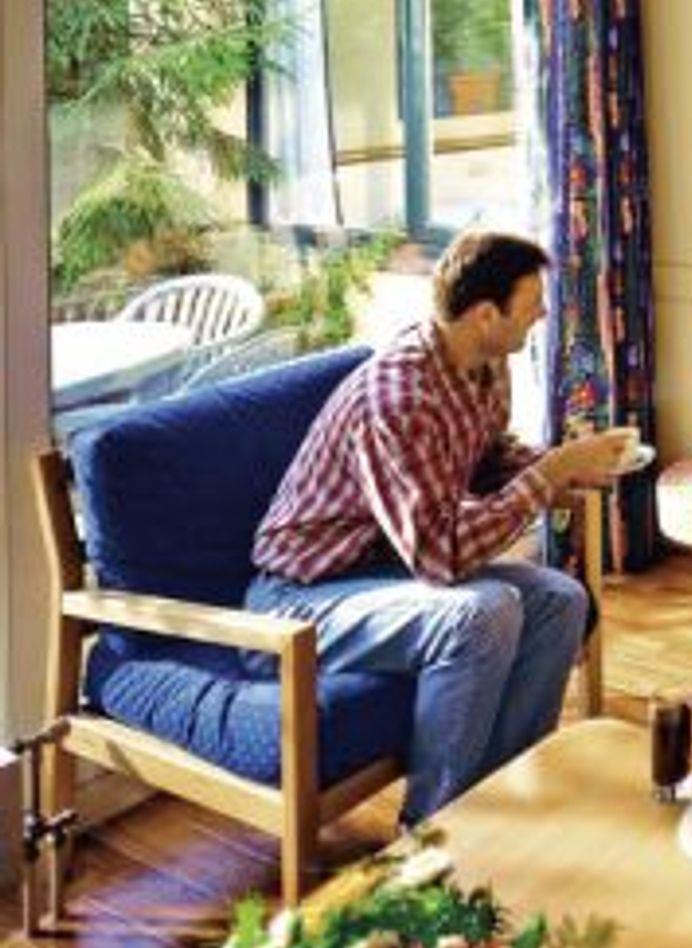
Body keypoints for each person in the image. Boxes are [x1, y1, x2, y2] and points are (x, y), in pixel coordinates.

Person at [247, 230, 635, 823]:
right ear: (485, 315)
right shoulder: (399, 399)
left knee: (562, 599)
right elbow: (441, 555)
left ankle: (502, 803)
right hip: (302, 597)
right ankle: (430, 829)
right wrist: (553, 471)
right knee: (483, 613)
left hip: (386, 569)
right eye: (532, 304)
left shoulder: (486, 367)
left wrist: (566, 464)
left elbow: (488, 457)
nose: (543, 315)